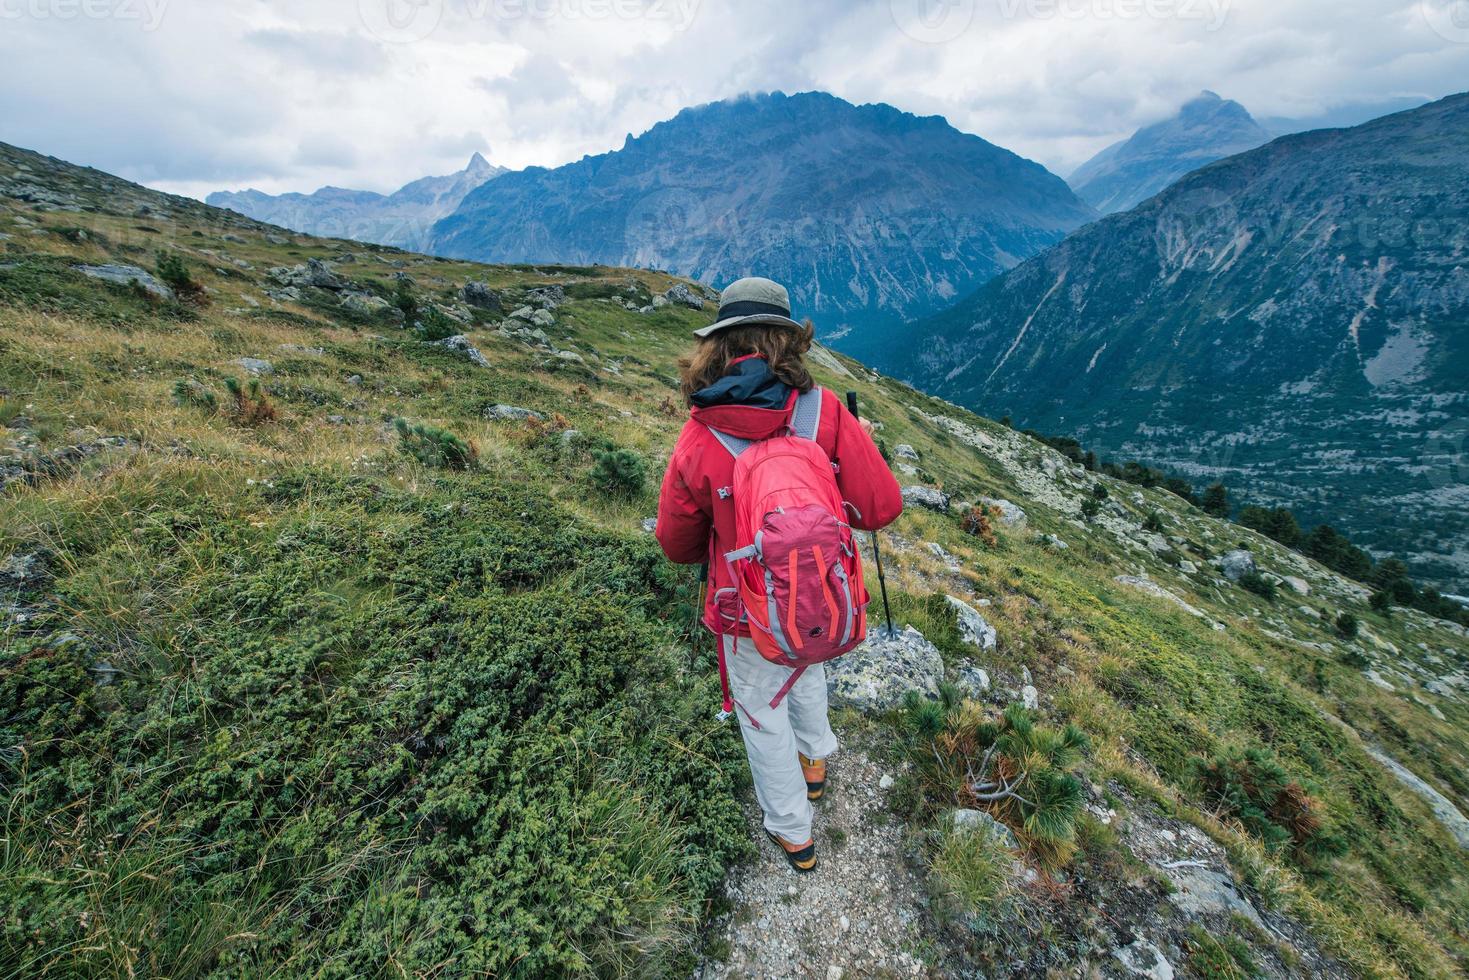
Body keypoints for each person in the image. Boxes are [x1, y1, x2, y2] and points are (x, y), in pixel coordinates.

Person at [655, 276, 903, 872]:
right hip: (820, 593)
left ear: (719, 345)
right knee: (806, 662)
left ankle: (794, 831)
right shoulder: (825, 411)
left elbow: (676, 544)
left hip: (745, 610)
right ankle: (815, 761)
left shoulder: (700, 433)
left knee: (762, 711)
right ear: (789, 341)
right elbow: (880, 509)